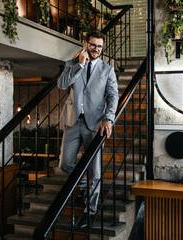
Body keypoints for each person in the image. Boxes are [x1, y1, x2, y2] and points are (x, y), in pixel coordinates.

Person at [57, 30, 119, 228]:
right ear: (86, 44)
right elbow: (61, 84)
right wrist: (80, 65)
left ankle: (90, 212)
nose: (96, 49)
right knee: (65, 164)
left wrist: (109, 119)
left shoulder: (107, 70)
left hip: (95, 124)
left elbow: (113, 96)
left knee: (96, 172)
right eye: (93, 45)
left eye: (100, 46)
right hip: (73, 121)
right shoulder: (71, 64)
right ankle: (83, 187)